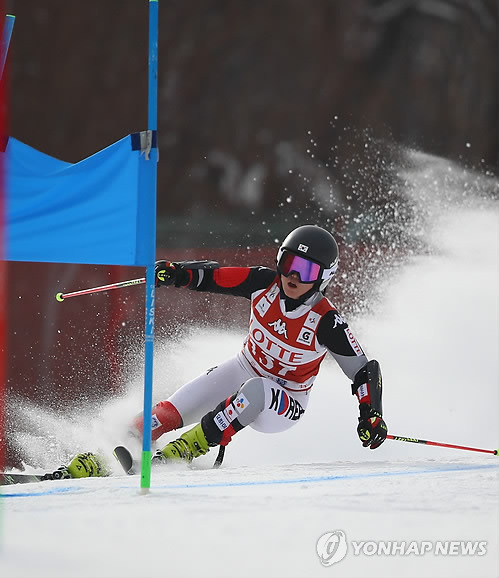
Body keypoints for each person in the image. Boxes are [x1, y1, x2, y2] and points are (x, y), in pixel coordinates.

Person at [66, 224, 387, 478]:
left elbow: (362, 370)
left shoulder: (326, 320)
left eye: (306, 271)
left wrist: (370, 413)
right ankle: (102, 455)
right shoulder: (263, 283)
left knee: (257, 389)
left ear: (323, 278)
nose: (292, 275)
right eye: (289, 263)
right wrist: (178, 273)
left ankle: (184, 450)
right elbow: (214, 276)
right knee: (167, 411)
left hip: (285, 400)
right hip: (243, 367)